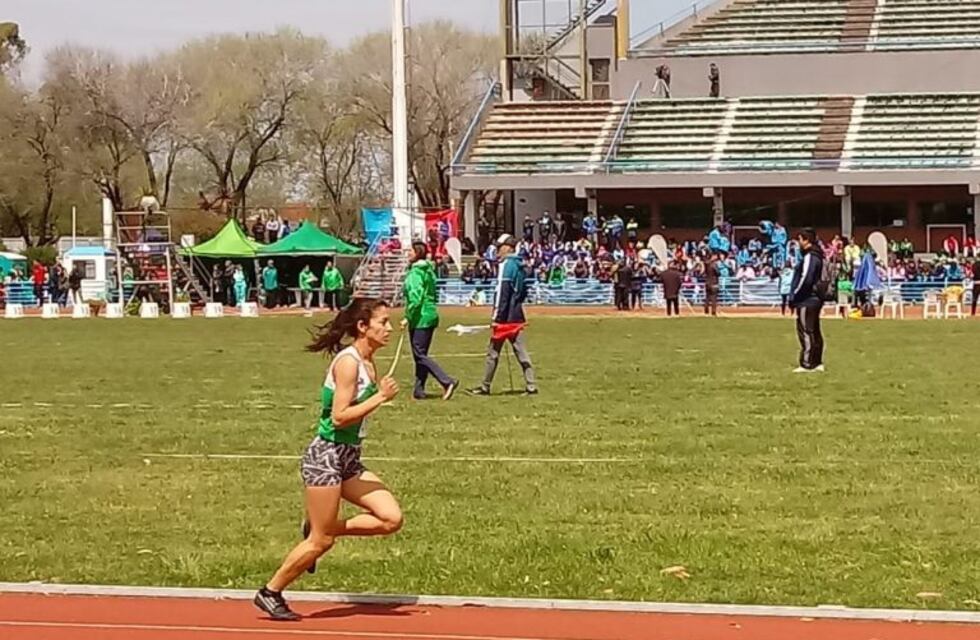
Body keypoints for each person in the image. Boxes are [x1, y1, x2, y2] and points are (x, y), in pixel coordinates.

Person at [254, 298, 401, 621]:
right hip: (326, 457)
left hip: (349, 458)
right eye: (384, 322)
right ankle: (270, 592)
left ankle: (321, 525)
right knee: (322, 542)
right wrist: (380, 397)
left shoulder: (369, 361)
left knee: (391, 519)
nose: (390, 328)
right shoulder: (348, 363)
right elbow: (338, 417)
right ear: (363, 327)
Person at [468, 234, 537, 396]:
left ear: (508, 247)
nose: (497, 250)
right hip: (516, 315)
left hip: (504, 319)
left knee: (493, 353)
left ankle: (485, 386)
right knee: (521, 352)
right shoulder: (520, 265)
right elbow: (521, 292)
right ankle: (531, 385)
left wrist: (496, 318)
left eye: (499, 247)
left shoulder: (506, 266)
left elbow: (502, 294)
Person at [401, 242, 458, 401]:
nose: (408, 252)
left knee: (419, 354)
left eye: (411, 250)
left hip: (421, 317)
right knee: (421, 355)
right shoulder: (429, 271)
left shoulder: (416, 273)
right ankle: (419, 390)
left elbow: (416, 297)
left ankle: (447, 381)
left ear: (417, 253)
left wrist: (407, 317)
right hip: (431, 314)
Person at [789, 228, 826, 373]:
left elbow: (806, 278)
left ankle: (807, 363)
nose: (798, 243)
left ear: (806, 240)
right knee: (814, 330)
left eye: (800, 240)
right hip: (815, 299)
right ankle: (817, 362)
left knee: (806, 330)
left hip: (807, 299)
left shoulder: (810, 257)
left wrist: (795, 296)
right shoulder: (818, 256)